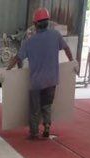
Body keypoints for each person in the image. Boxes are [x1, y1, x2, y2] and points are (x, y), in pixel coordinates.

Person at [6, 8, 75, 139]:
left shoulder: (29, 42)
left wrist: (8, 71)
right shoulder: (55, 35)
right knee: (47, 105)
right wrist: (72, 62)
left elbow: (18, 58)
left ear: (35, 24)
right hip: (52, 79)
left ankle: (34, 132)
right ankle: (47, 126)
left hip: (36, 82)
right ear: (47, 22)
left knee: (35, 108)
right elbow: (66, 49)